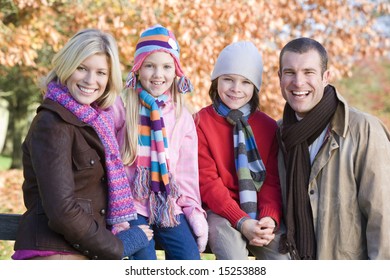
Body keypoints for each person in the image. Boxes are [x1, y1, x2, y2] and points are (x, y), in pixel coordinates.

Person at [12, 28, 153, 260]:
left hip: (78, 251)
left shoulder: (96, 121)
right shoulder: (53, 123)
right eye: (82, 68)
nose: (90, 80)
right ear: (67, 67)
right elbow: (62, 211)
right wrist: (116, 246)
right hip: (54, 253)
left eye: (101, 72)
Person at [277, 37, 390, 260]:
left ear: (326, 77)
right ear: (279, 77)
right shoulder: (278, 134)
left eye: (309, 72)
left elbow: (384, 216)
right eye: (289, 72)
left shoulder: (363, 130)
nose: (298, 82)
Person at [114, 24, 208, 260]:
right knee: (143, 260)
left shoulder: (181, 117)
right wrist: (118, 218)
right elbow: (111, 165)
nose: (158, 75)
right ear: (137, 69)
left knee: (189, 258)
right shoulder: (123, 110)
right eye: (150, 66)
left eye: (167, 67)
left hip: (168, 206)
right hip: (131, 207)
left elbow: (187, 176)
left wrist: (194, 214)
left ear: (176, 71)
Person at [196, 41, 289, 260]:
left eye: (245, 82)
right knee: (232, 255)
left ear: (255, 88)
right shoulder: (201, 122)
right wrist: (241, 220)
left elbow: (270, 180)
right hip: (219, 211)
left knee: (283, 256)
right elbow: (208, 182)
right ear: (216, 80)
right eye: (228, 79)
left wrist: (269, 218)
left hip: (258, 210)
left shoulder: (267, 126)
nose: (236, 88)